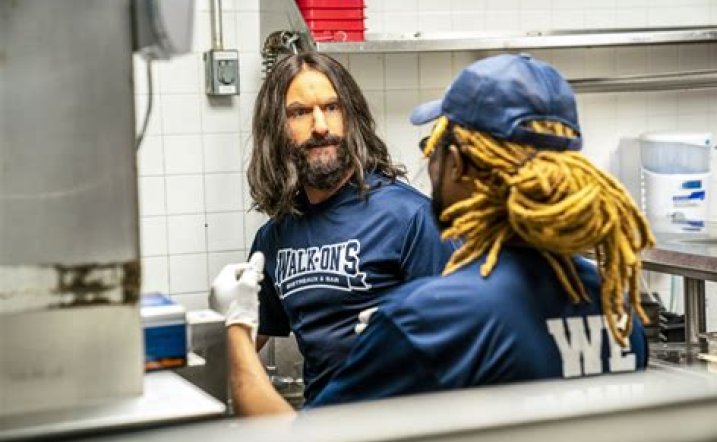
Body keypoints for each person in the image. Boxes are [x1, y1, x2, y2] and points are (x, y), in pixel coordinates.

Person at [212, 53, 654, 416]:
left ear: (457, 165)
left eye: (435, 146)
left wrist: (235, 325)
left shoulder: (428, 316)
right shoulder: (618, 308)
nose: (429, 160)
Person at [229, 52, 454, 406]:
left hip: (401, 427)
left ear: (352, 117)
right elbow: (242, 348)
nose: (321, 126)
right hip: (322, 426)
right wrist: (225, 318)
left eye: (332, 107)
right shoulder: (273, 238)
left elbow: (461, 347)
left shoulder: (411, 218)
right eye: (299, 112)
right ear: (276, 129)